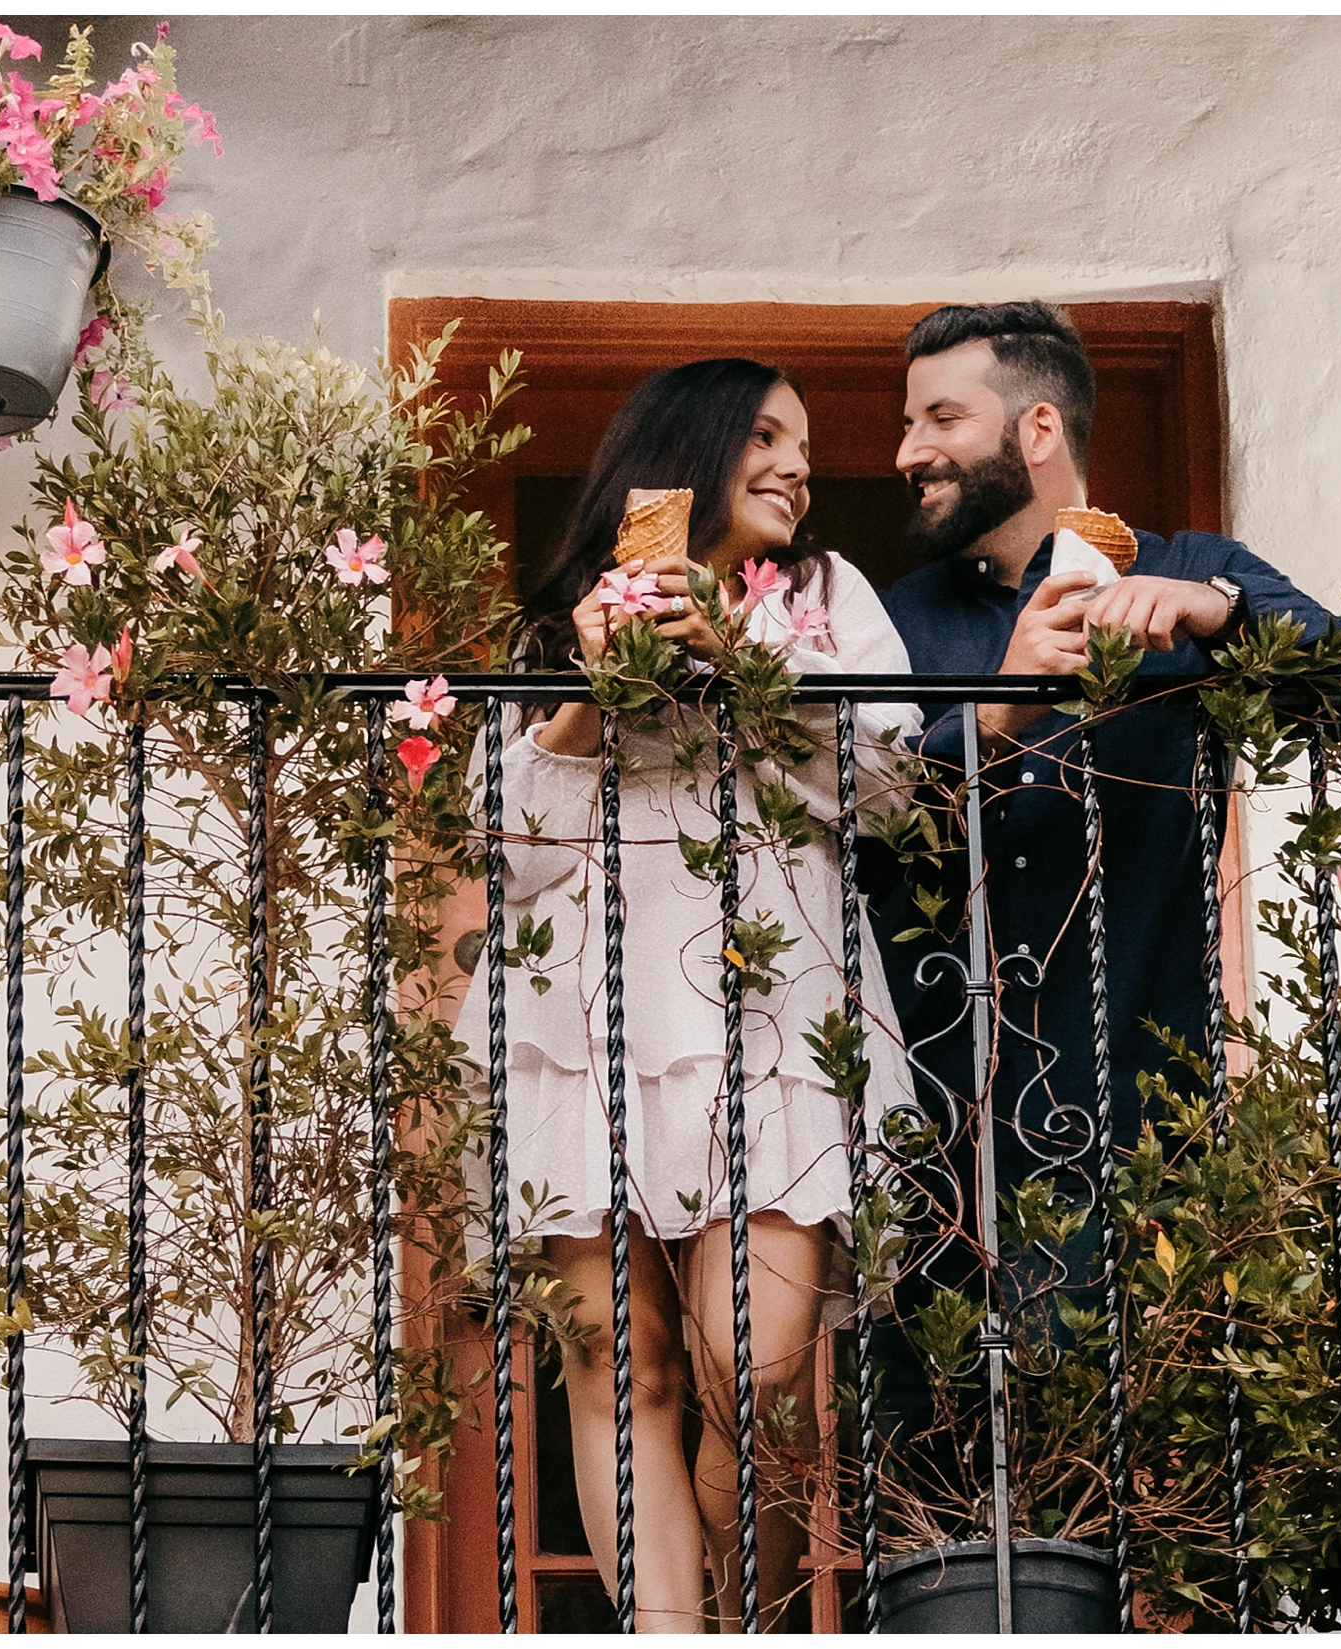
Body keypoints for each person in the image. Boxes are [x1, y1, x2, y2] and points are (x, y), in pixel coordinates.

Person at [446, 358, 922, 1632]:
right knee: (621, 1361)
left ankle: (739, 1617)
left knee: (754, 1376)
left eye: (804, 444)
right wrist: (587, 705)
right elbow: (510, 845)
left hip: (770, 1017)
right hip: (585, 1020)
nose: (796, 465)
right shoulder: (555, 625)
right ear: (689, 447)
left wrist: (743, 669)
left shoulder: (825, 598)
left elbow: (886, 786)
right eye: (767, 435)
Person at [866, 303, 1337, 1496]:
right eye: (905, 421)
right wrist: (998, 703)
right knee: (942, 1479)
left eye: (938, 418)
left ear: (1034, 427)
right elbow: (864, 820)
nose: (906, 450)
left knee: (1151, 1472)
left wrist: (1213, 616)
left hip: (1139, 1092)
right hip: (936, 1109)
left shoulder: (1193, 564)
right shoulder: (891, 616)